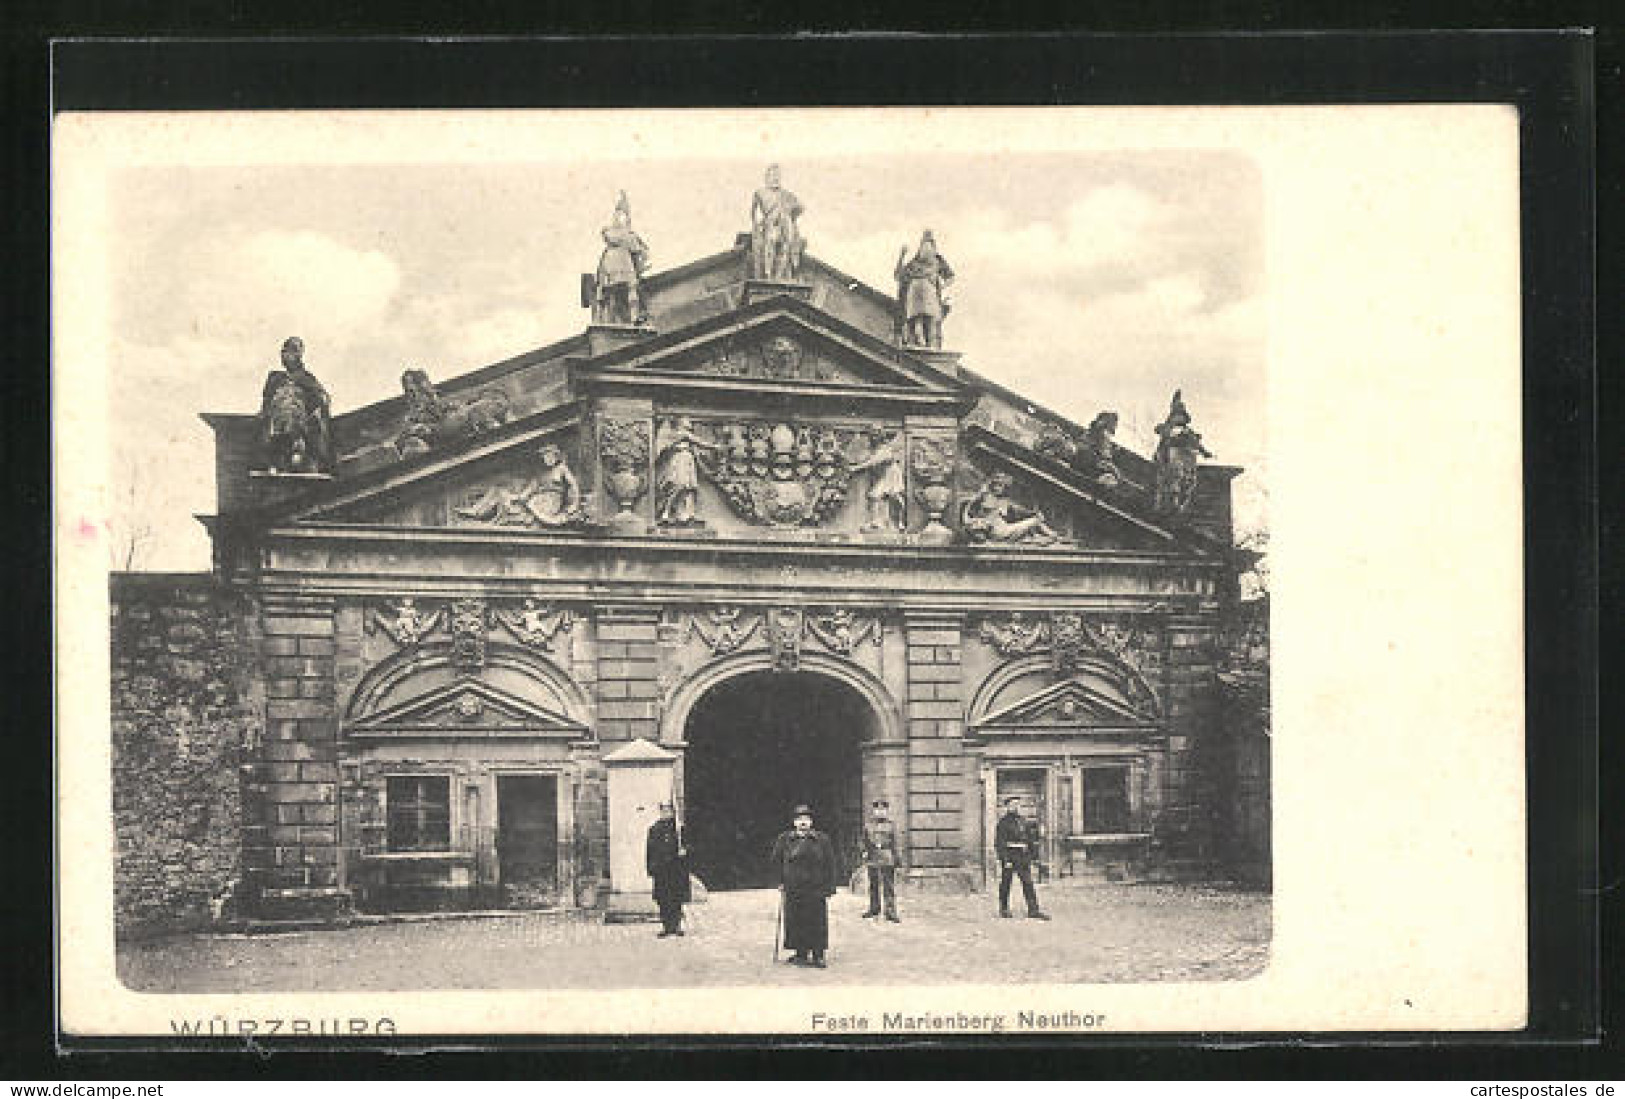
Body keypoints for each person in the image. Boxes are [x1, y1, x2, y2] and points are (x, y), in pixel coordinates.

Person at [770, 804, 839, 967]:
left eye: (806, 819)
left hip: (816, 887)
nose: (803, 822)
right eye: (799, 819)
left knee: (817, 921)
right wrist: (779, 881)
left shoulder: (822, 839)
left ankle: (818, 955)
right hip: (793, 887)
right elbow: (776, 861)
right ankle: (800, 953)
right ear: (794, 822)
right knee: (796, 920)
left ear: (811, 822)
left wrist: (830, 887)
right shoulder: (785, 839)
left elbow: (831, 864)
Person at [895, 230, 955, 349]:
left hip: (930, 295)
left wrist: (942, 286)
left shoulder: (937, 260)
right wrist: (902, 256)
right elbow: (898, 275)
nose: (927, 247)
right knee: (918, 320)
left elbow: (951, 277)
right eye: (924, 243)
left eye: (930, 243)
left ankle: (929, 344)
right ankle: (919, 341)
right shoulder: (915, 262)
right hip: (916, 296)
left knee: (929, 321)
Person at [995, 796, 1050, 920]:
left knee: (1028, 883)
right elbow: (1000, 843)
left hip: (1022, 857)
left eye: (1018, 805)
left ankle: (1033, 910)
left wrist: (1033, 856)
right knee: (1006, 883)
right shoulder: (1003, 823)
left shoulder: (1023, 821)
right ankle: (1004, 909)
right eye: (1012, 805)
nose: (1016, 807)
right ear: (1007, 807)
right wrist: (1005, 860)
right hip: (1010, 856)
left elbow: (1029, 839)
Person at [645, 801, 690, 938]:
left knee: (676, 898)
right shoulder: (654, 829)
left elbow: (689, 846)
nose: (666, 814)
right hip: (661, 870)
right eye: (663, 811)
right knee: (663, 899)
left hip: (676, 869)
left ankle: (676, 925)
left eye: (668, 811)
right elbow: (650, 850)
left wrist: (684, 851)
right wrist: (651, 868)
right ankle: (666, 926)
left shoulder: (679, 829)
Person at [861, 799, 902, 923]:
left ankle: (890, 912)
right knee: (873, 885)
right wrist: (864, 851)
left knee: (888, 886)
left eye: (883, 810)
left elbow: (895, 843)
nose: (880, 812)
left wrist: (897, 859)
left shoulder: (891, 825)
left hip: (886, 857)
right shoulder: (868, 825)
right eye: (878, 810)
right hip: (873, 857)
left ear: (886, 811)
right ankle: (874, 909)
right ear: (874, 811)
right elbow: (864, 841)